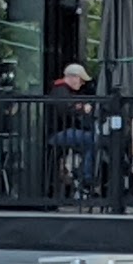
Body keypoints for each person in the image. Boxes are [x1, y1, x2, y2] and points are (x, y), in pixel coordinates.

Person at [47, 61, 97, 190]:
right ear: (73, 77)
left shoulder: (63, 90)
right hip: (57, 133)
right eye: (81, 80)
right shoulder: (60, 91)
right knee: (93, 139)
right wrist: (82, 109)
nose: (82, 83)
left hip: (63, 131)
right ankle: (86, 177)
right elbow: (66, 111)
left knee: (91, 139)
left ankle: (81, 174)